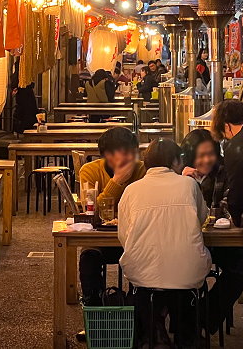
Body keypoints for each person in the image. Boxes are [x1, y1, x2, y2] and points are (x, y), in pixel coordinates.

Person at [119, 139, 211, 348]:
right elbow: (202, 218)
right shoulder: (189, 184)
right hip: (188, 272)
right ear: (175, 161)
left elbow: (124, 236)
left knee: (146, 281)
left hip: (141, 273)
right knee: (182, 280)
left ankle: (152, 330)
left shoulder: (132, 190)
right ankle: (186, 334)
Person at [180, 129, 243, 334]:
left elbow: (229, 208)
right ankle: (181, 321)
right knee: (176, 269)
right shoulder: (177, 175)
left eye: (210, 153)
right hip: (183, 243)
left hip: (217, 241)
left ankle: (205, 315)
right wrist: (183, 182)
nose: (207, 159)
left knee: (242, 264)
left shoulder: (226, 171)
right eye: (200, 155)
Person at [78, 127, 146, 305]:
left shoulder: (142, 170)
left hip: (136, 238)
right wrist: (116, 182)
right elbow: (91, 212)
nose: (127, 159)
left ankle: (139, 314)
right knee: (88, 259)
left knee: (149, 259)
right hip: (100, 239)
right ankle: (96, 311)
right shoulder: (89, 171)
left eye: (131, 153)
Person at [11, 58, 38, 134]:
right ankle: (28, 128)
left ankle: (21, 129)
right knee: (28, 111)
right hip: (26, 92)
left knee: (23, 110)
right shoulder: (26, 66)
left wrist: (14, 87)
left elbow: (15, 77)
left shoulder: (20, 66)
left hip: (22, 93)